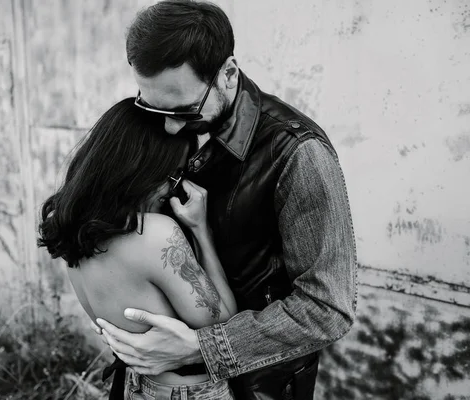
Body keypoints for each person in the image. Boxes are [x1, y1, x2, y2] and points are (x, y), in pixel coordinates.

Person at [92, 1, 358, 399]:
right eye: (151, 105)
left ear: (228, 73)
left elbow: (326, 309)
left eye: (184, 110)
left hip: (256, 387)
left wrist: (203, 348)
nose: (167, 125)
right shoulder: (164, 118)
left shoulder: (298, 154)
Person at [38, 98, 238, 399]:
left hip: (135, 386)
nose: (173, 188)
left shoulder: (73, 235)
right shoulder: (154, 233)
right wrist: (201, 230)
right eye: (175, 175)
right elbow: (222, 321)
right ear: (143, 170)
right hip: (188, 391)